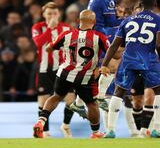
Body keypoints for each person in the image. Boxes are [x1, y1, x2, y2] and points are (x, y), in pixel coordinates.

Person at [33, 10, 111, 138]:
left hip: (64, 73)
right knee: (91, 104)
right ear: (94, 21)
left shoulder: (66, 34)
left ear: (79, 21)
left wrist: (59, 46)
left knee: (56, 96)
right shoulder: (99, 36)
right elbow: (112, 52)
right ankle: (96, 132)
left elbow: (49, 49)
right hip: (85, 77)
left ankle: (41, 121)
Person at [101, 0, 160, 138]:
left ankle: (111, 130)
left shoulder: (127, 20)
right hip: (149, 59)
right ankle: (157, 129)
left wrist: (104, 64)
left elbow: (114, 45)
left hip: (128, 60)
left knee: (119, 92)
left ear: (139, 4)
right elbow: (159, 43)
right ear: (155, 5)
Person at [31, 2, 74, 138]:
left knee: (70, 100)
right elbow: (38, 43)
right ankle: (45, 131)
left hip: (64, 69)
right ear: (43, 14)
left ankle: (65, 125)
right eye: (49, 13)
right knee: (43, 100)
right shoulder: (37, 27)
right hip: (45, 69)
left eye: (54, 13)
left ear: (59, 14)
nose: (52, 16)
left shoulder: (66, 28)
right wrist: (49, 29)